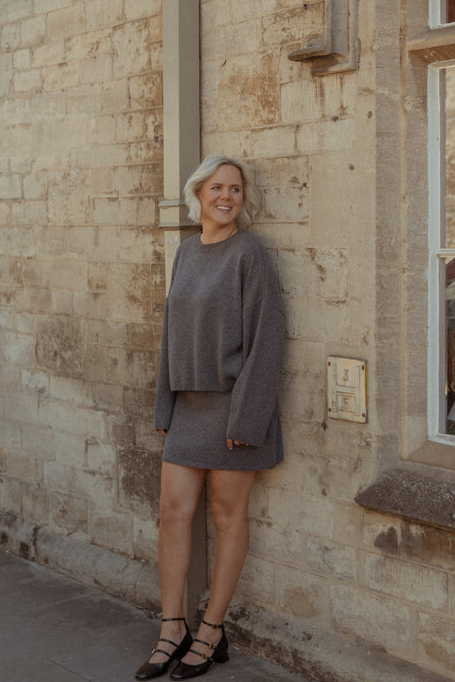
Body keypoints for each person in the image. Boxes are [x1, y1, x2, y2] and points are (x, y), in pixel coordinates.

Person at [135, 155, 286, 681]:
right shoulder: (184, 252)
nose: (227, 196)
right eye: (217, 187)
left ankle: (212, 630)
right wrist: (163, 405)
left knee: (226, 519)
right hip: (187, 408)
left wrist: (245, 421)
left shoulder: (250, 254)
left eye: (236, 190)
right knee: (172, 513)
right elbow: (169, 335)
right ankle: (172, 626)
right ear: (197, 193)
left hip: (233, 409)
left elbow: (268, 341)